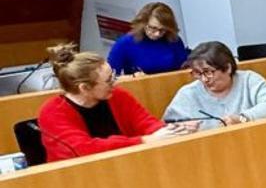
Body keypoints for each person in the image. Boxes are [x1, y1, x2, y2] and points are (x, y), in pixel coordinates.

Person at [36, 44, 189, 161]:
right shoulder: (52, 112)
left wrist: (171, 132)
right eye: (108, 80)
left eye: (113, 76)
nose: (114, 83)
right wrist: (144, 141)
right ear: (84, 88)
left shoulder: (117, 95)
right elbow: (84, 149)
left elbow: (145, 122)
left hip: (126, 165)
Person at [164, 42, 266, 130]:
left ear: (228, 68)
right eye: (197, 73)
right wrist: (180, 128)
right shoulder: (187, 94)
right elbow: (166, 125)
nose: (204, 79)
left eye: (208, 72)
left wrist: (243, 118)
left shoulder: (249, 80)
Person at [106, 2, 190, 75]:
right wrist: (133, 77)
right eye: (153, 28)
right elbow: (112, 77)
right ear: (143, 23)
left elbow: (183, 69)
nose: (157, 34)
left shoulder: (173, 40)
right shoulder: (124, 44)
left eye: (162, 30)